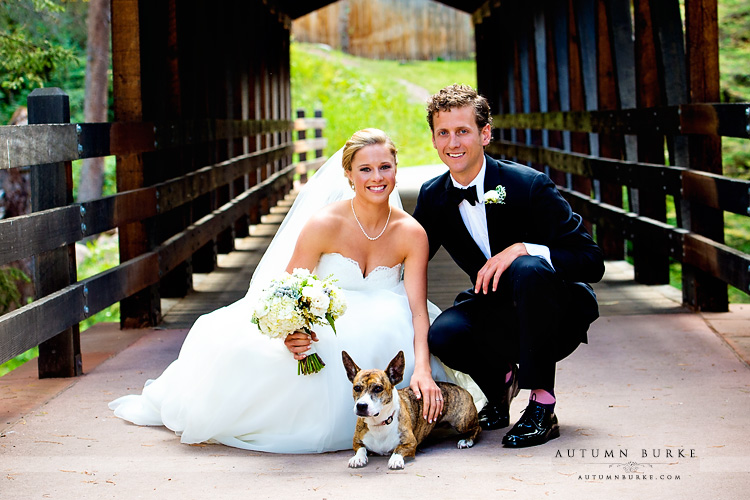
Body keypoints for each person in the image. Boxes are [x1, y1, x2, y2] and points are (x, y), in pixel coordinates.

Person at [109, 128, 483, 453]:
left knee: (407, 355)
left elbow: (418, 310)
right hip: (329, 325)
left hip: (391, 323)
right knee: (245, 362)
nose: (377, 177)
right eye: (365, 169)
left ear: (396, 170)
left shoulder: (411, 232)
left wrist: (423, 372)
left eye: (385, 167)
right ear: (349, 174)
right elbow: (286, 291)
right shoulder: (323, 223)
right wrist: (291, 331)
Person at [413, 84, 604, 448]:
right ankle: (500, 387)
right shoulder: (434, 196)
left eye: (463, 131)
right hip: (493, 307)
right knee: (444, 334)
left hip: (554, 309)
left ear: (485, 134)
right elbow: (410, 256)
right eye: (443, 133)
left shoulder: (528, 185)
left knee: (529, 268)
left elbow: (591, 262)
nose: (453, 142)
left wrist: (524, 248)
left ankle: (542, 406)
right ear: (434, 140)